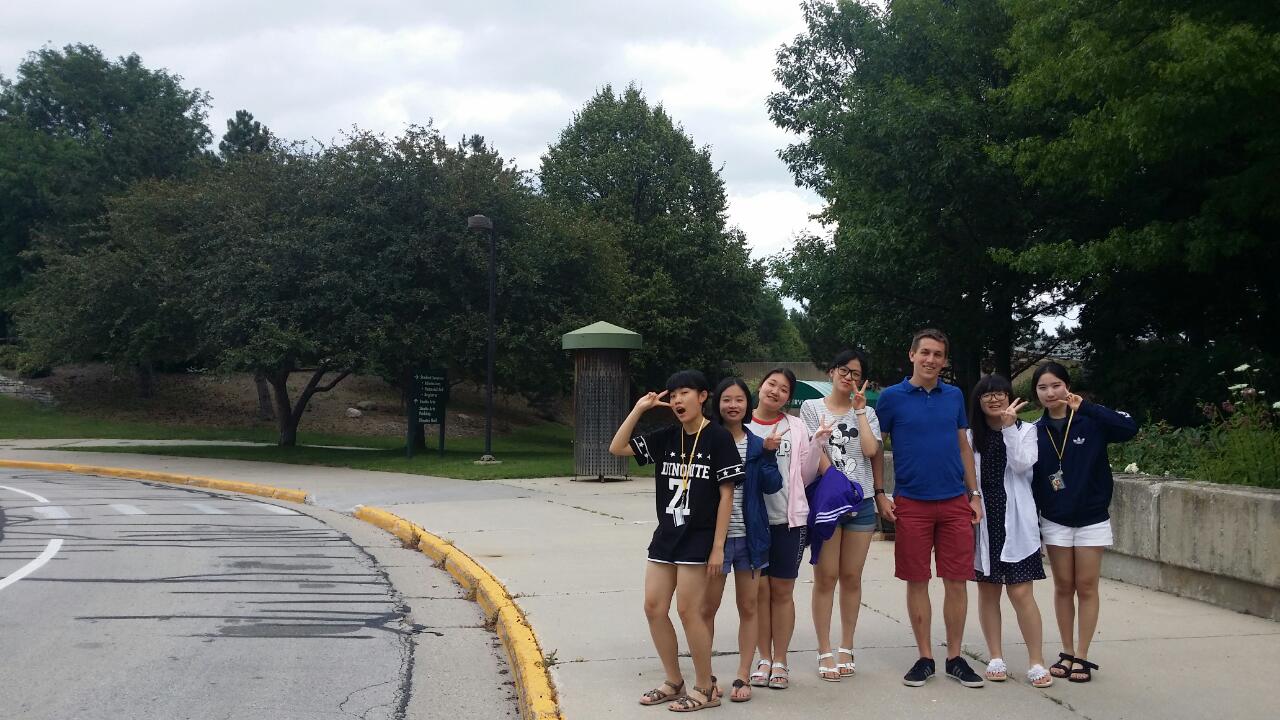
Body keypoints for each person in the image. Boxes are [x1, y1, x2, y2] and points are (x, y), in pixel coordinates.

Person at [609, 369, 744, 711]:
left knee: (689, 611)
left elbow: (727, 496)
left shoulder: (718, 438)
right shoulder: (668, 436)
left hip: (699, 539)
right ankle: (673, 680)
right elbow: (617, 447)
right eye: (673, 395)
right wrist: (639, 408)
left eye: (685, 392)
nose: (678, 400)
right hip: (666, 536)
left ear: (702, 396)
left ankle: (705, 687)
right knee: (653, 607)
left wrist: (718, 547)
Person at [873, 329, 986, 688]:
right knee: (917, 580)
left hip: (954, 501)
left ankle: (955, 657)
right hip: (911, 502)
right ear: (912, 355)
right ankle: (925, 657)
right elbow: (877, 446)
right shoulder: (891, 398)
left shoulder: (953, 396)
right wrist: (879, 493)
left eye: (938, 354)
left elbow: (964, 446)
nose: (931, 359)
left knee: (957, 581)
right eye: (925, 352)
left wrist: (974, 493)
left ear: (944, 360)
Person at [1031, 362, 1137, 684]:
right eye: (1043, 388)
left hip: (1091, 518)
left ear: (1067, 386)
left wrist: (1087, 406)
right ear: (1036, 393)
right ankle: (1066, 651)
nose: (1050, 393)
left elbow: (1129, 428)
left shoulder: (1091, 421)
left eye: (1056, 385)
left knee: (1087, 586)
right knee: (1063, 586)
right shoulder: (1034, 430)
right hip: (1056, 519)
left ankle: (1082, 655)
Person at [799, 349, 882, 683]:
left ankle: (846, 645)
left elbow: (871, 451)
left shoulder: (869, 412)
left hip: (861, 503)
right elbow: (814, 449)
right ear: (832, 372)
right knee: (826, 577)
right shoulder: (811, 407)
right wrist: (836, 483)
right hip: (829, 502)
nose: (849, 378)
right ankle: (824, 649)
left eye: (856, 374)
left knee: (851, 577)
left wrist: (859, 411)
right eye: (844, 371)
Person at [967, 374, 1052, 688]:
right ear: (978, 401)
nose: (994, 399)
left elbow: (1022, 466)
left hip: (1017, 519)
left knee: (1021, 592)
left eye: (1000, 393)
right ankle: (995, 657)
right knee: (988, 591)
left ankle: (1036, 662)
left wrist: (1008, 428)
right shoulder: (970, 436)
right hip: (984, 519)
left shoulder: (1026, 430)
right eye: (987, 395)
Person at [702, 377, 783, 703]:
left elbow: (772, 486)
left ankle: (743, 674)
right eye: (726, 399)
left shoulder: (757, 443)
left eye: (738, 399)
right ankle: (705, 675)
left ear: (747, 404)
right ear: (717, 403)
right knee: (707, 609)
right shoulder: (706, 440)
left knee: (749, 607)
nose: (732, 405)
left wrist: (768, 456)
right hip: (714, 540)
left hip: (750, 538)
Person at [745, 368, 810, 691]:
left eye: (783, 389)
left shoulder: (795, 427)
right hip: (751, 523)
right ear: (761, 386)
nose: (775, 391)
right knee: (758, 594)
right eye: (771, 384)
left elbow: (807, 471)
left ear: (788, 397)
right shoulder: (741, 425)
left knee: (782, 592)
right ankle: (763, 658)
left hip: (788, 521)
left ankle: (781, 660)